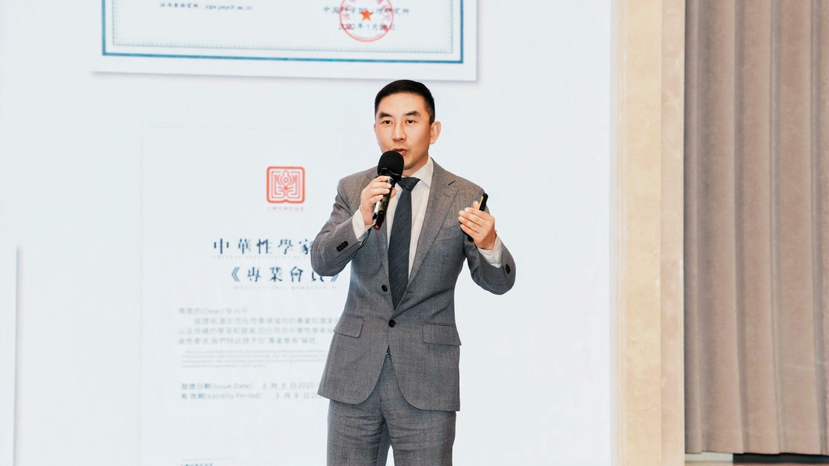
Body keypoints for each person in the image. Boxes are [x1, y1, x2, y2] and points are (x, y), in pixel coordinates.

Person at [310, 80, 516, 466]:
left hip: (427, 379)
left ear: (433, 131)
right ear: (375, 129)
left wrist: (490, 244)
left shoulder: (464, 195)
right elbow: (322, 262)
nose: (398, 133)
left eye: (410, 120)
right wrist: (360, 220)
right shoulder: (355, 189)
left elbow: (498, 282)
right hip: (354, 375)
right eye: (387, 121)